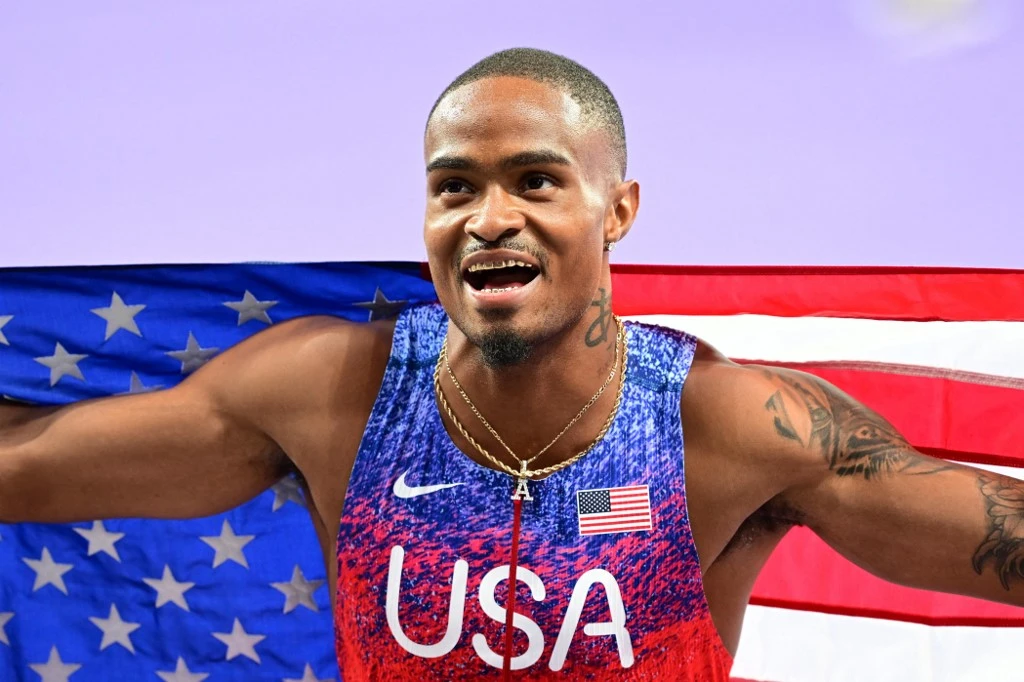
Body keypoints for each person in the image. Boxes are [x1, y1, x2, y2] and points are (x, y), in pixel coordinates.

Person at [1, 48, 1021, 681]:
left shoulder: (731, 423)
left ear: (616, 209)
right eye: (454, 189)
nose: (488, 218)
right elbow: (27, 469)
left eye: (535, 179)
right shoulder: (326, 395)